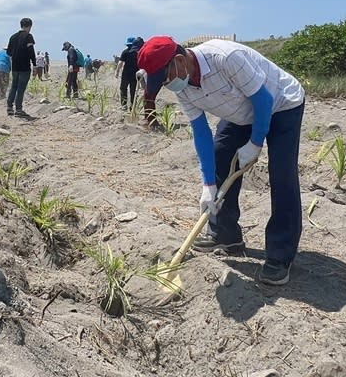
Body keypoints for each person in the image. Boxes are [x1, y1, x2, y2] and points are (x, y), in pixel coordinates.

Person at [138, 35, 305, 286]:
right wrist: (208, 185)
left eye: (165, 78)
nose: (166, 85)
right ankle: (225, 235)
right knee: (220, 155)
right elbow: (201, 131)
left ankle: (280, 255)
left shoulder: (225, 58)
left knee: (281, 174)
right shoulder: (183, 87)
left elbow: (263, 100)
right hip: (240, 113)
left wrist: (256, 143)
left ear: (180, 61)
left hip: (281, 103)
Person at [5, 17, 35, 118]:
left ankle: (9, 107)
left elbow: (8, 52)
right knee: (21, 88)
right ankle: (18, 109)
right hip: (24, 67)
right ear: (29, 26)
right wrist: (34, 64)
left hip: (15, 66)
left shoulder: (13, 37)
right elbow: (31, 52)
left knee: (14, 86)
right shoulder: (29, 36)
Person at [118, 36, 143, 110]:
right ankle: (132, 106)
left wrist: (117, 71)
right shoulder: (139, 52)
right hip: (135, 75)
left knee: (123, 88)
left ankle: (124, 105)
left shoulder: (125, 52)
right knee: (133, 90)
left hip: (126, 74)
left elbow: (120, 63)